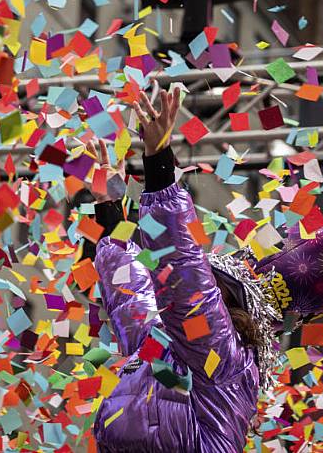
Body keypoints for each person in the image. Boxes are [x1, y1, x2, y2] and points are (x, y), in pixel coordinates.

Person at [83, 89, 289, 452]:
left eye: (213, 288)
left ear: (225, 308)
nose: (173, 297)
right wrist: (109, 205)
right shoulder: (158, 344)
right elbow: (129, 292)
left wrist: (159, 162)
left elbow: (184, 274)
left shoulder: (223, 358)